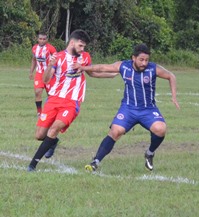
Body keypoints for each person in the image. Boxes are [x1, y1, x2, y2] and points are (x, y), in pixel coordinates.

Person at [74, 43, 180, 172]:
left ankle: (150, 153)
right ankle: (95, 161)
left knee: (161, 129)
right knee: (115, 131)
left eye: (147, 60)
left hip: (148, 109)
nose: (144, 63)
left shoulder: (153, 69)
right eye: (141, 60)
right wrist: (83, 67)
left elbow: (171, 76)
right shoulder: (123, 66)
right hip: (128, 109)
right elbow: (103, 67)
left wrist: (174, 96)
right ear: (133, 58)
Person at [27, 29, 117, 171]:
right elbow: (46, 79)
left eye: (84, 47)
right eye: (80, 46)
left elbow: (92, 73)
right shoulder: (58, 57)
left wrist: (112, 74)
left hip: (72, 102)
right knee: (39, 135)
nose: (82, 49)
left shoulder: (85, 57)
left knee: (54, 128)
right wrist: (50, 65)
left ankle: (32, 165)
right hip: (54, 99)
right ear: (72, 42)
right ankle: (53, 141)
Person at [29, 33, 57, 116]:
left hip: (49, 74)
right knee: (37, 92)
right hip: (39, 73)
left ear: (46, 40)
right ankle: (39, 112)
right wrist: (31, 72)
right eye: (40, 39)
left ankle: (52, 112)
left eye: (44, 39)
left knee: (51, 95)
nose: (42, 40)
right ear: (37, 39)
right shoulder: (34, 48)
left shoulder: (51, 48)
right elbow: (34, 60)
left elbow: (57, 60)